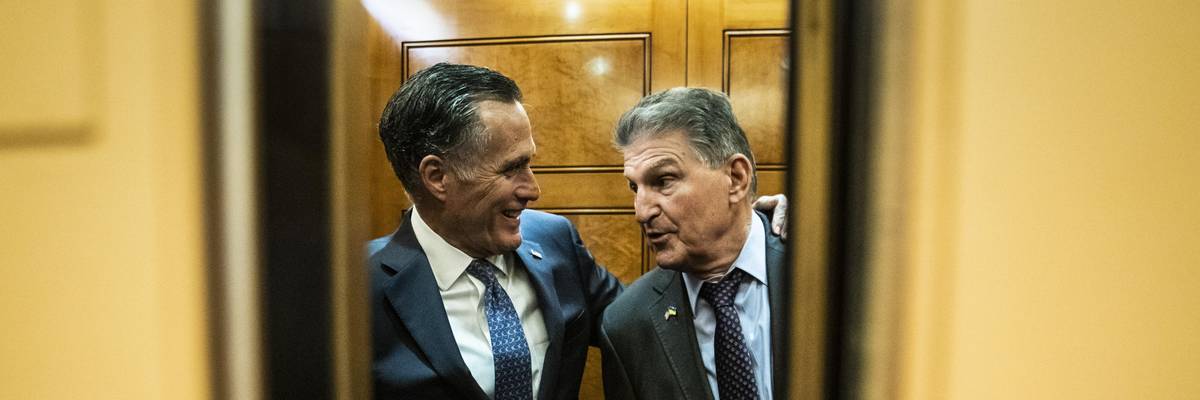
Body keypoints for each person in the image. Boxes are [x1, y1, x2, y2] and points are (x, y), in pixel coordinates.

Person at [368, 63, 786, 400]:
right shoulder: (351, 290)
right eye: (511, 168)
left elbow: (650, 326)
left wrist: (755, 224)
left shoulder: (554, 243)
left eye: (529, 163)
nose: (533, 189)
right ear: (437, 176)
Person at [599, 88, 785, 400]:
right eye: (635, 187)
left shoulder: (825, 271)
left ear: (736, 178)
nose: (642, 212)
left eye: (663, 181)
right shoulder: (627, 324)